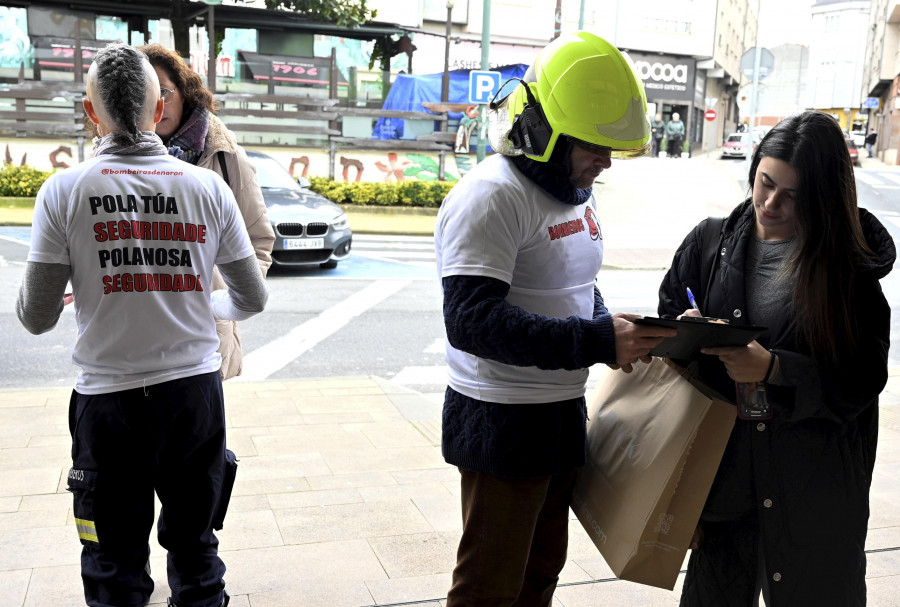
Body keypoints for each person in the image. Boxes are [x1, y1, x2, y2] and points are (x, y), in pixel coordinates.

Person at [16, 43, 268, 607]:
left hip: (107, 405)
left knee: (112, 560)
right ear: (158, 113)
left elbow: (35, 318)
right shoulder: (207, 188)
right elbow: (251, 297)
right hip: (194, 399)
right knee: (196, 547)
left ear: (90, 113)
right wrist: (206, 307)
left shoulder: (63, 191)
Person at [434, 31, 677, 607]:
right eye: (593, 145)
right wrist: (598, 339)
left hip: (559, 409)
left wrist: (612, 327)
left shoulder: (574, 191)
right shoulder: (492, 197)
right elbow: (472, 322)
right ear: (543, 131)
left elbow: (575, 284)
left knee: (541, 569)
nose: (605, 162)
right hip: (502, 418)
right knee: (490, 584)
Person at [658, 110, 894, 606]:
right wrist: (686, 329)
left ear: (824, 198)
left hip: (815, 494)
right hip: (725, 490)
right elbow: (667, 324)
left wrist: (776, 369)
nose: (770, 203)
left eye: (792, 196)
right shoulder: (710, 243)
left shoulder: (849, 271)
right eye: (765, 183)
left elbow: (863, 377)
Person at [138, 43, 275, 381]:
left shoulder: (225, 157)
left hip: (203, 338)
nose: (158, 105)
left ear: (185, 92)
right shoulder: (110, 165)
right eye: (145, 94)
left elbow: (258, 240)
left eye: (165, 92)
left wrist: (221, 304)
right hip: (132, 336)